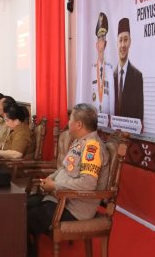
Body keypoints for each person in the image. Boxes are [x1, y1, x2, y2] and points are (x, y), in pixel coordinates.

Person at [26, 103, 108, 257]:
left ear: (79, 124)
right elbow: (65, 169)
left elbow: (88, 183)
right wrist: (50, 179)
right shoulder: (80, 142)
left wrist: (55, 185)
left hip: (74, 208)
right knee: (20, 205)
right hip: (60, 199)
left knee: (24, 218)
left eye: (70, 119)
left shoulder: (92, 147)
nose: (68, 122)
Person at [114, 18, 144, 121]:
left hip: (130, 134)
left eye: (126, 40)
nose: (123, 45)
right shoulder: (110, 76)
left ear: (130, 42)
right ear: (116, 43)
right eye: (120, 40)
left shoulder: (137, 77)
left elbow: (140, 115)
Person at [91, 12, 115, 115]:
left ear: (106, 43)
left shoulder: (109, 68)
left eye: (103, 39)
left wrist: (112, 115)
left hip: (107, 113)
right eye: (100, 39)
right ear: (96, 44)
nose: (102, 42)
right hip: (94, 113)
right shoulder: (92, 69)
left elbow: (112, 95)